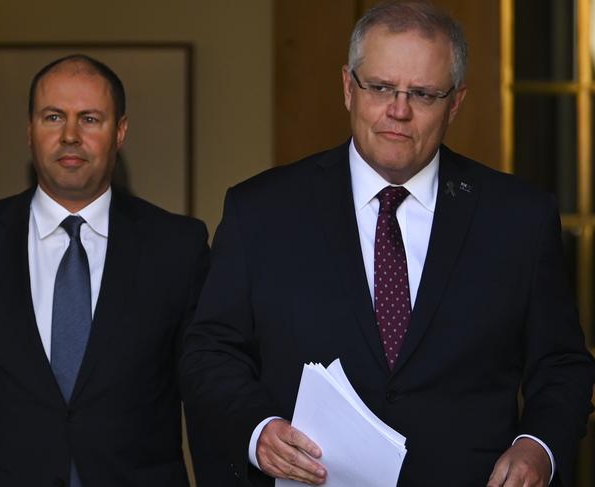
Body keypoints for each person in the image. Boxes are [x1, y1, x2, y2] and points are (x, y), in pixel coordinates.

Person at [180, 1, 595, 486]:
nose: (398, 111)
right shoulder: (261, 210)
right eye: (379, 88)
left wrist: (538, 446)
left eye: (422, 94)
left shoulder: (519, 218)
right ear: (347, 87)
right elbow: (210, 351)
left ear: (455, 103)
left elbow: (562, 364)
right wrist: (258, 430)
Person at [0, 54, 209, 486]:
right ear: (29, 129)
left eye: (89, 119)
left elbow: (205, 394)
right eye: (53, 117)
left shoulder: (178, 247)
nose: (70, 136)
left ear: (120, 132)